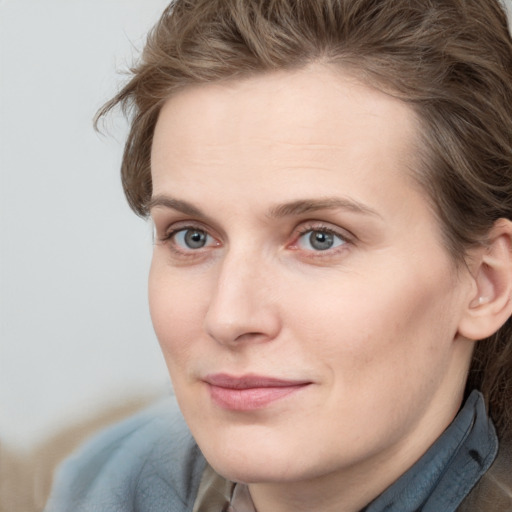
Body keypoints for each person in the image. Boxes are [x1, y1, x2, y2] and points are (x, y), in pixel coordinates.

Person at [45, 0, 512, 510]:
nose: (229, 317)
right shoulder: (110, 480)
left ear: (486, 283)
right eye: (192, 236)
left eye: (320, 238)